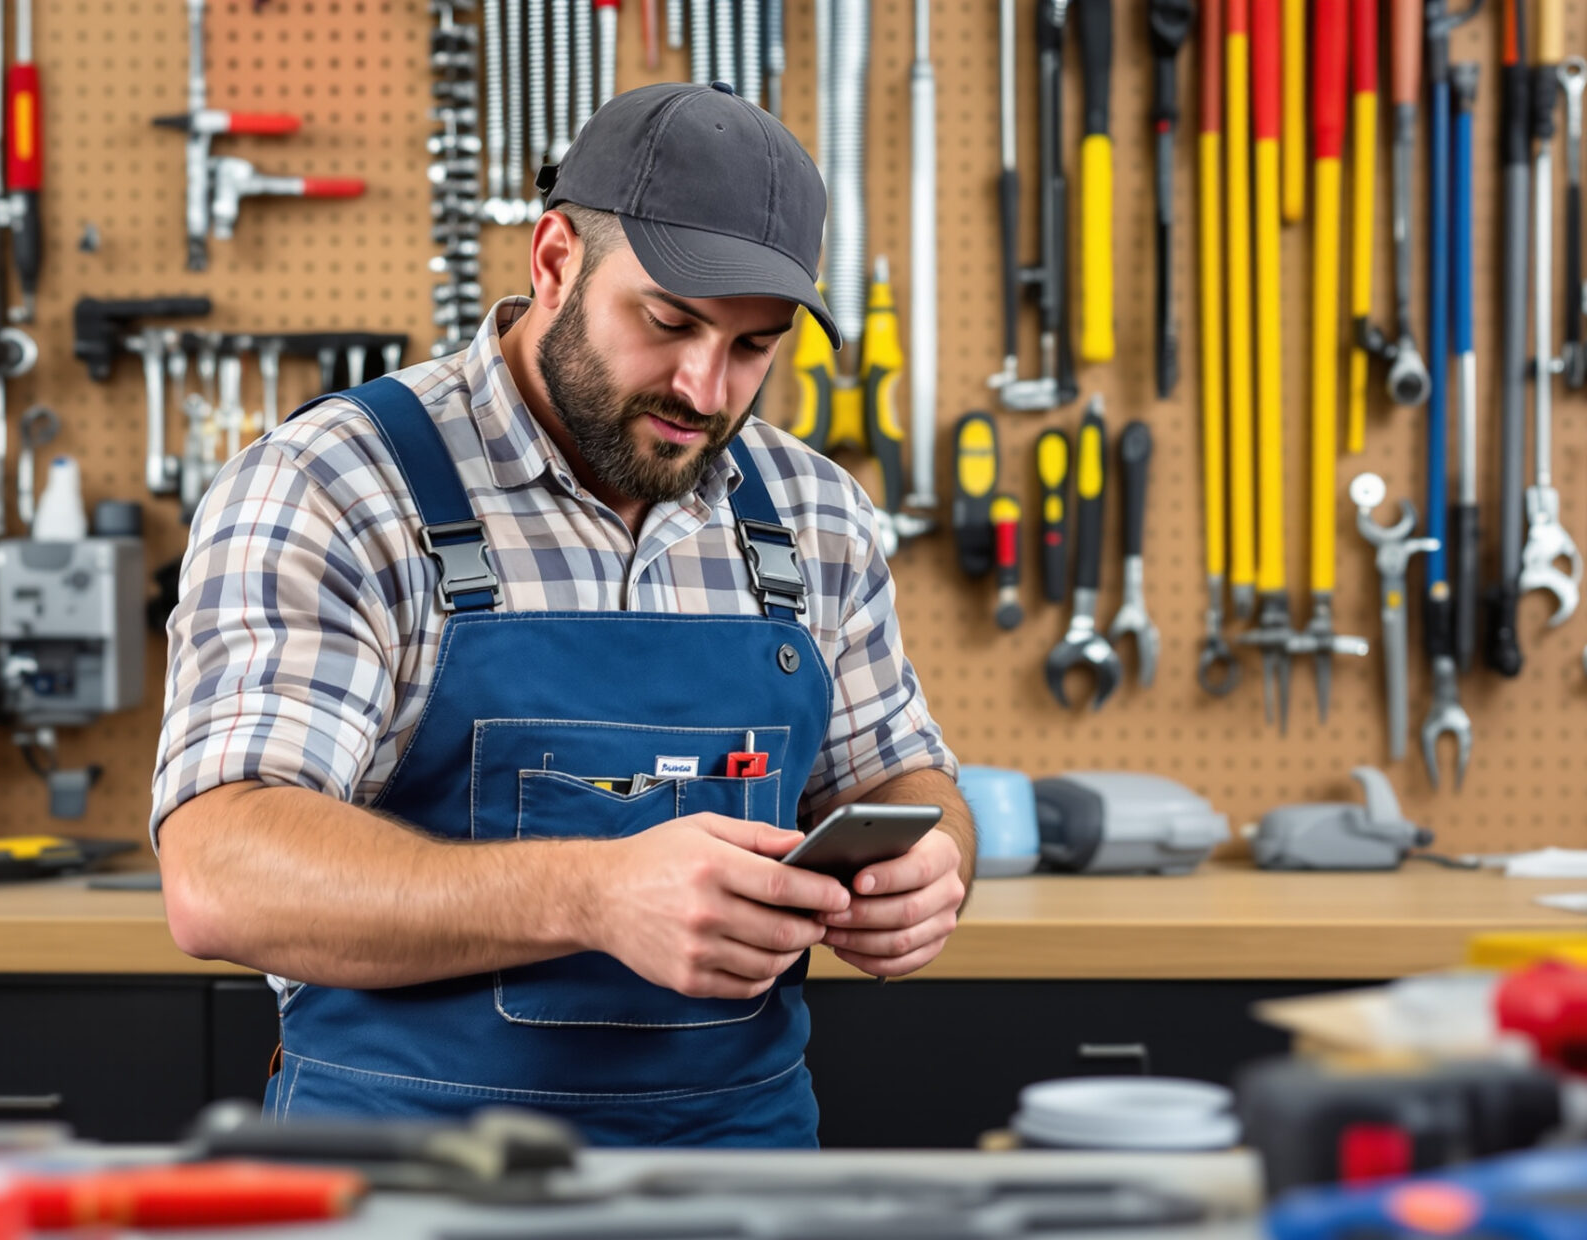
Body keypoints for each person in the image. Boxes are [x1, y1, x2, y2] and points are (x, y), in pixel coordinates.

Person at [150, 82, 973, 1148]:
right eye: (668, 320)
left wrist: (928, 863)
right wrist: (591, 894)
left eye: (753, 347)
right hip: (404, 1179)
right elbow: (221, 874)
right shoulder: (337, 483)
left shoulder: (812, 512)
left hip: (737, 1173)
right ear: (552, 262)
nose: (704, 388)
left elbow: (900, 777)